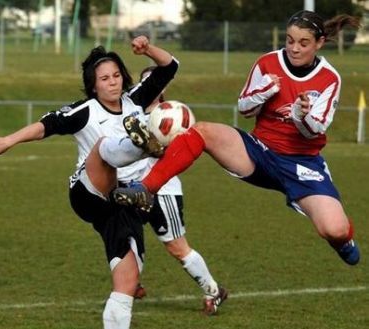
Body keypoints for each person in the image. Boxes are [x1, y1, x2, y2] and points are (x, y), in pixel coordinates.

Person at [0, 36, 179, 329]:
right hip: (89, 191)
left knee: (128, 279)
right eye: (103, 78)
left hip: (123, 202)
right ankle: (140, 142)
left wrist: (148, 49)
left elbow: (170, 68)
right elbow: (45, 125)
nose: (112, 81)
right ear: (93, 85)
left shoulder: (136, 100)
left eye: (116, 75)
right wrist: (7, 141)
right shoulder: (86, 110)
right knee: (105, 149)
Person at [113, 11, 361, 267]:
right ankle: (146, 188)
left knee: (334, 229)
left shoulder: (329, 78)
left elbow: (314, 130)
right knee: (202, 131)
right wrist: (263, 92)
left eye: (303, 43)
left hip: (303, 164)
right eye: (289, 40)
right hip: (259, 152)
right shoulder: (268, 62)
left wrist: (300, 115)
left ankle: (343, 242)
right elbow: (244, 109)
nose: (294, 48)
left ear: (319, 43)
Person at [124, 66, 228, 315]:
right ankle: (130, 284)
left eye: (156, 82)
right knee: (121, 236)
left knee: (176, 247)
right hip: (133, 188)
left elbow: (183, 151)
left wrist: (158, 147)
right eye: (146, 81)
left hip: (164, 190)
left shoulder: (174, 115)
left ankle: (213, 290)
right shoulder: (130, 112)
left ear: (164, 87)